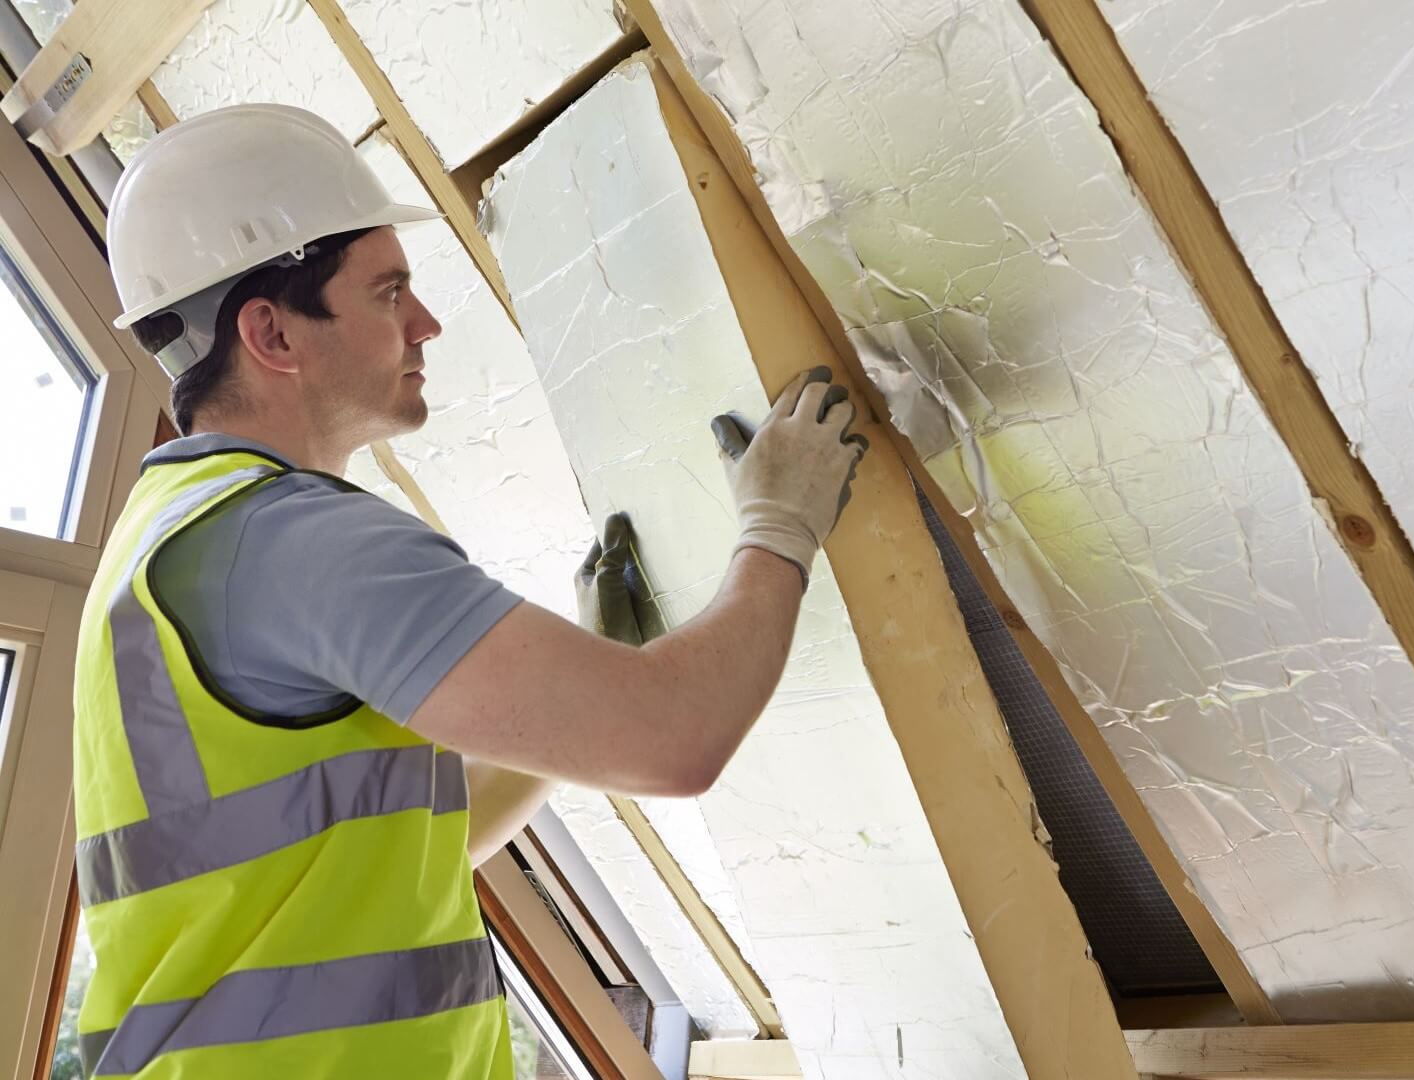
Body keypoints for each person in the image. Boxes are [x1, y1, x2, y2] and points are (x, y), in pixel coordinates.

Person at [69, 103, 865, 1078]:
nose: (427, 322)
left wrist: (574, 702)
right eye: (386, 291)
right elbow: (677, 738)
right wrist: (780, 527)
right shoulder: (291, 542)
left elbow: (403, 863)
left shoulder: (161, 542)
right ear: (272, 332)